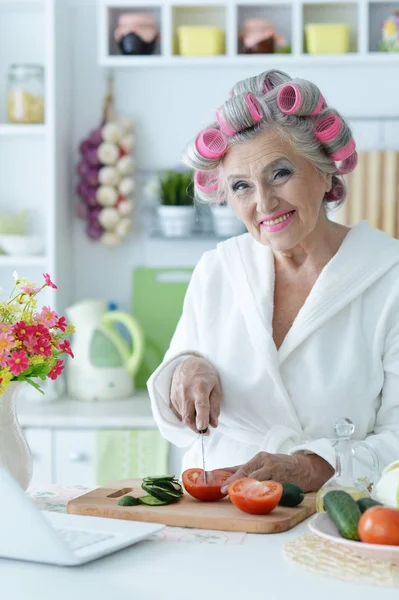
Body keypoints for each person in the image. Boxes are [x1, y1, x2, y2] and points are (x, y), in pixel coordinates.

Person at [147, 69, 399, 493]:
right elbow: (174, 399)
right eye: (242, 186)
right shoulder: (218, 269)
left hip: (335, 520)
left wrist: (312, 467)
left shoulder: (388, 275)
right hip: (218, 515)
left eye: (280, 173)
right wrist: (185, 370)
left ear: (324, 172)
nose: (263, 202)